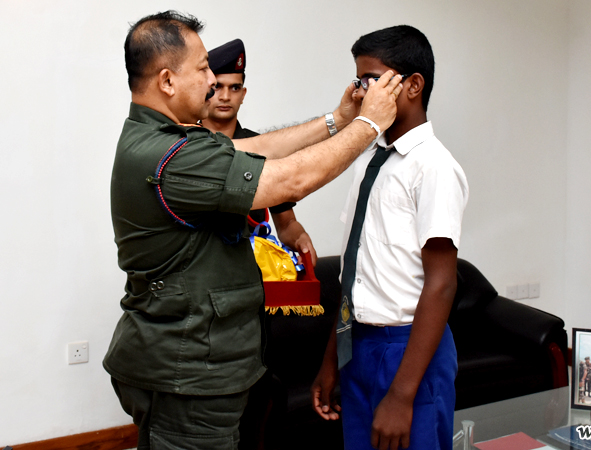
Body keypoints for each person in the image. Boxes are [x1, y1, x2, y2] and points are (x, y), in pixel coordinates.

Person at [103, 11, 403, 448]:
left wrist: (338, 119)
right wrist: (369, 125)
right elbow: (289, 180)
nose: (211, 80)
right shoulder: (172, 157)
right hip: (189, 376)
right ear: (168, 81)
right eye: (204, 68)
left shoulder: (166, 139)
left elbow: (255, 147)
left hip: (180, 365)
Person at [310, 25, 469, 450]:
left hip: (407, 350)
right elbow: (354, 271)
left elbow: (442, 283)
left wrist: (402, 395)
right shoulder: (369, 160)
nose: (361, 92)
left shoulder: (432, 166)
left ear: (413, 85)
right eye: (358, 80)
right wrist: (332, 359)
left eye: (372, 79)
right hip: (357, 344)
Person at [201, 39, 317, 265]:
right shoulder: (183, 143)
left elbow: (285, 224)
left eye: (234, 88)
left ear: (243, 94)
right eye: (217, 87)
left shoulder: (263, 146)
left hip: (250, 270)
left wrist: (300, 238)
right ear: (204, 91)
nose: (225, 96)